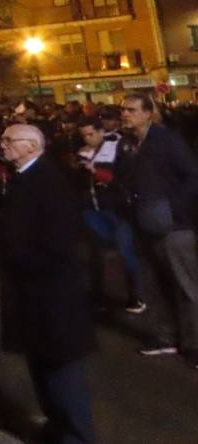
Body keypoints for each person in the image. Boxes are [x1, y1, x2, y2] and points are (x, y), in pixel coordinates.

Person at [0, 122, 96, 444]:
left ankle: (76, 437)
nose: (2, 145)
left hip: (51, 294)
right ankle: (56, 427)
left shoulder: (49, 180)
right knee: (40, 367)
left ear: (32, 146)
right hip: (30, 293)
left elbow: (57, 240)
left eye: (9, 140)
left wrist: (21, 258)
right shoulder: (22, 179)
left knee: (61, 373)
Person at [118, 93, 198, 366]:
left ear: (147, 113)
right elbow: (123, 178)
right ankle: (167, 338)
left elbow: (192, 175)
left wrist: (171, 208)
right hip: (144, 225)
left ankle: (194, 343)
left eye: (130, 110)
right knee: (157, 285)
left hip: (174, 227)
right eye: (123, 110)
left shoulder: (167, 141)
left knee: (187, 287)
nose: (124, 114)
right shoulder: (127, 144)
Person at [75, 116, 144, 313]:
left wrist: (95, 170)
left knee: (125, 252)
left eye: (90, 134)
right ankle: (99, 297)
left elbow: (123, 176)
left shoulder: (116, 146)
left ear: (100, 131)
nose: (87, 138)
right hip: (92, 210)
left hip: (116, 209)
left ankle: (135, 297)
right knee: (95, 256)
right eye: (83, 135)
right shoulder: (84, 151)